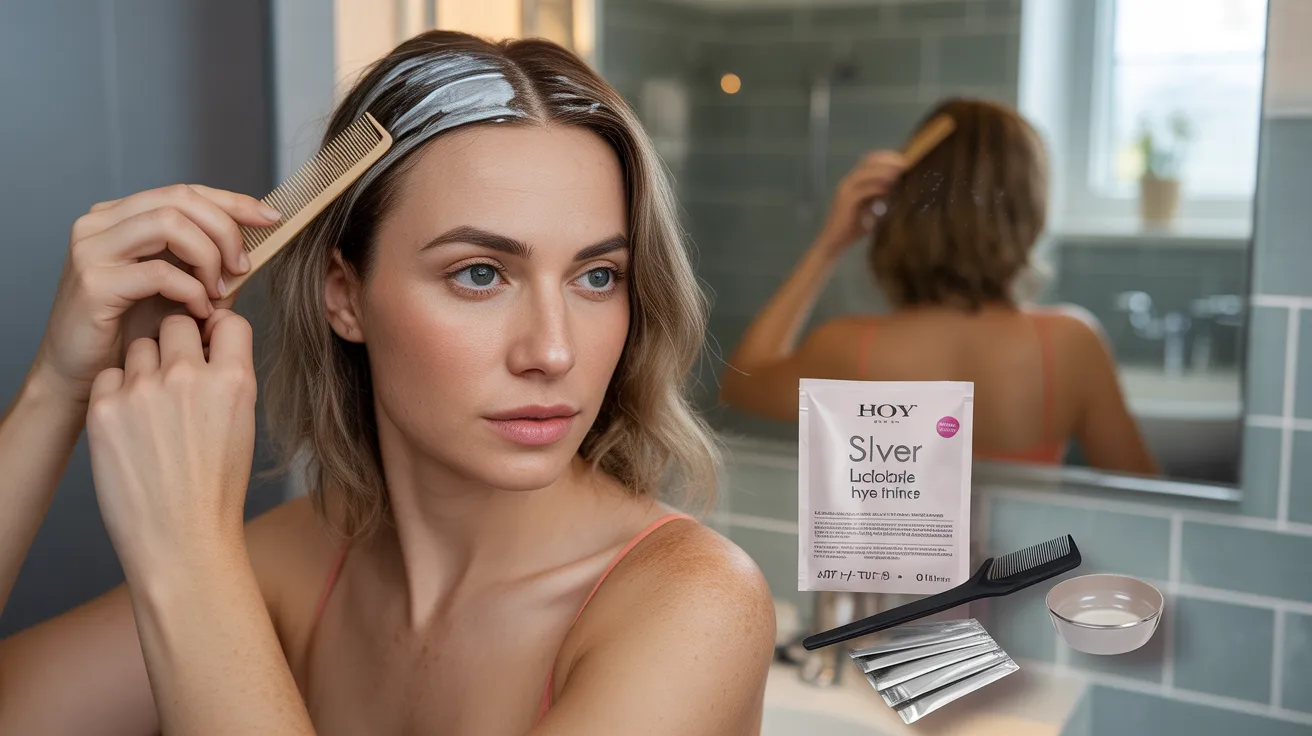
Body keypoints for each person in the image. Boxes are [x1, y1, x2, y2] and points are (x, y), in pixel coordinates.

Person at [0, 31, 775, 735]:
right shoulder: (297, 558)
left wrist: (187, 555)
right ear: (345, 294)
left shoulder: (694, 607)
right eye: (481, 274)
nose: (552, 350)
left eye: (598, 276)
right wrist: (56, 390)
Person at [720, 98, 1157, 476]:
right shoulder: (1070, 342)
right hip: (1025, 574)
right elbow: (1147, 496)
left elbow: (741, 381)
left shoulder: (848, 346)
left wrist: (830, 244)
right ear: (1029, 213)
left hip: (888, 575)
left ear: (908, 206)